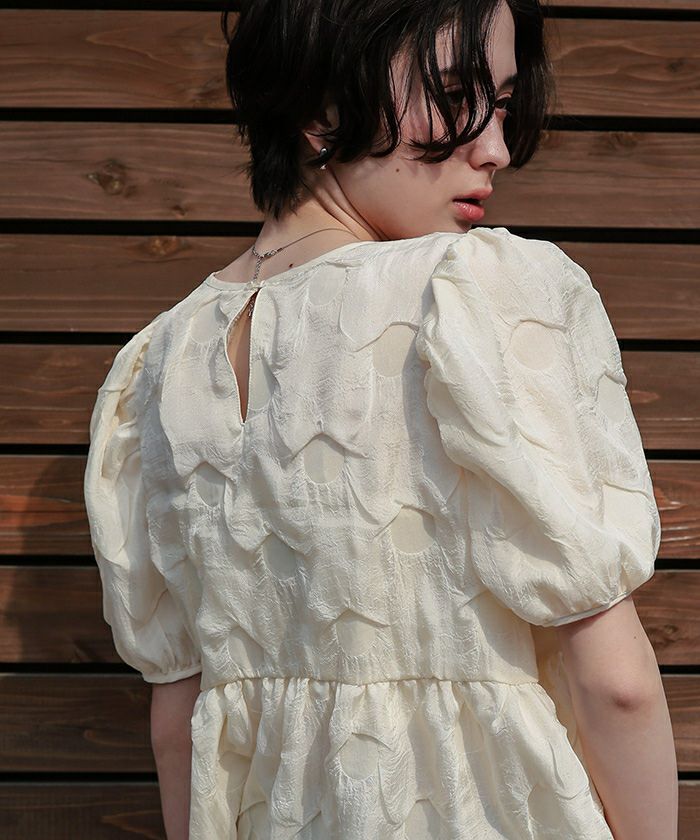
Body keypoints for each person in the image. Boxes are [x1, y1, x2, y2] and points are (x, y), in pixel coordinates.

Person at [83, 0, 678, 838]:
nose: (496, 147)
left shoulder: (154, 366)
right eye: (457, 95)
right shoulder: (471, 291)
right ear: (321, 106)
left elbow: (179, 724)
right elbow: (614, 683)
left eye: (504, 105)